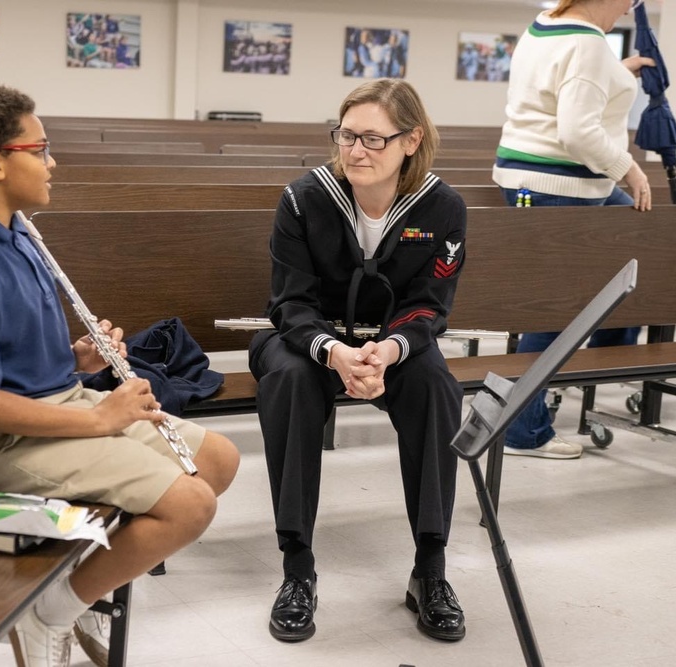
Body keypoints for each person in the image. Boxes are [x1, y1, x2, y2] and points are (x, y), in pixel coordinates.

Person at [0, 84, 239, 667]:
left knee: (219, 461)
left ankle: (81, 585)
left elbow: (20, 358)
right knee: (190, 505)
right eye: (40, 149)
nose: (51, 162)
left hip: (61, 404)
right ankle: (50, 610)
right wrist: (102, 419)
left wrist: (79, 359)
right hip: (2, 439)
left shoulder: (19, 232)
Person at [248, 79, 467, 644]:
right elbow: (288, 303)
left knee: (436, 386)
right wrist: (334, 351)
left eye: (373, 138)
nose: (355, 151)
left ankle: (431, 570)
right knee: (293, 379)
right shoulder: (304, 198)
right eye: (346, 135)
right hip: (307, 341)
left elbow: (429, 307)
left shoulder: (442, 208)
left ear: (411, 140)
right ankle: (297, 570)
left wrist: (388, 352)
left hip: (390, 345)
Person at [492, 0, 654, 460]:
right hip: (558, 189)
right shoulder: (587, 43)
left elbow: (564, 84)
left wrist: (617, 72)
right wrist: (631, 170)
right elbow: (577, 132)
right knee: (556, 311)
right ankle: (523, 432)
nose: (629, 8)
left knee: (639, 251)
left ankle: (606, 356)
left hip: (548, 184)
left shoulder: (549, 24)